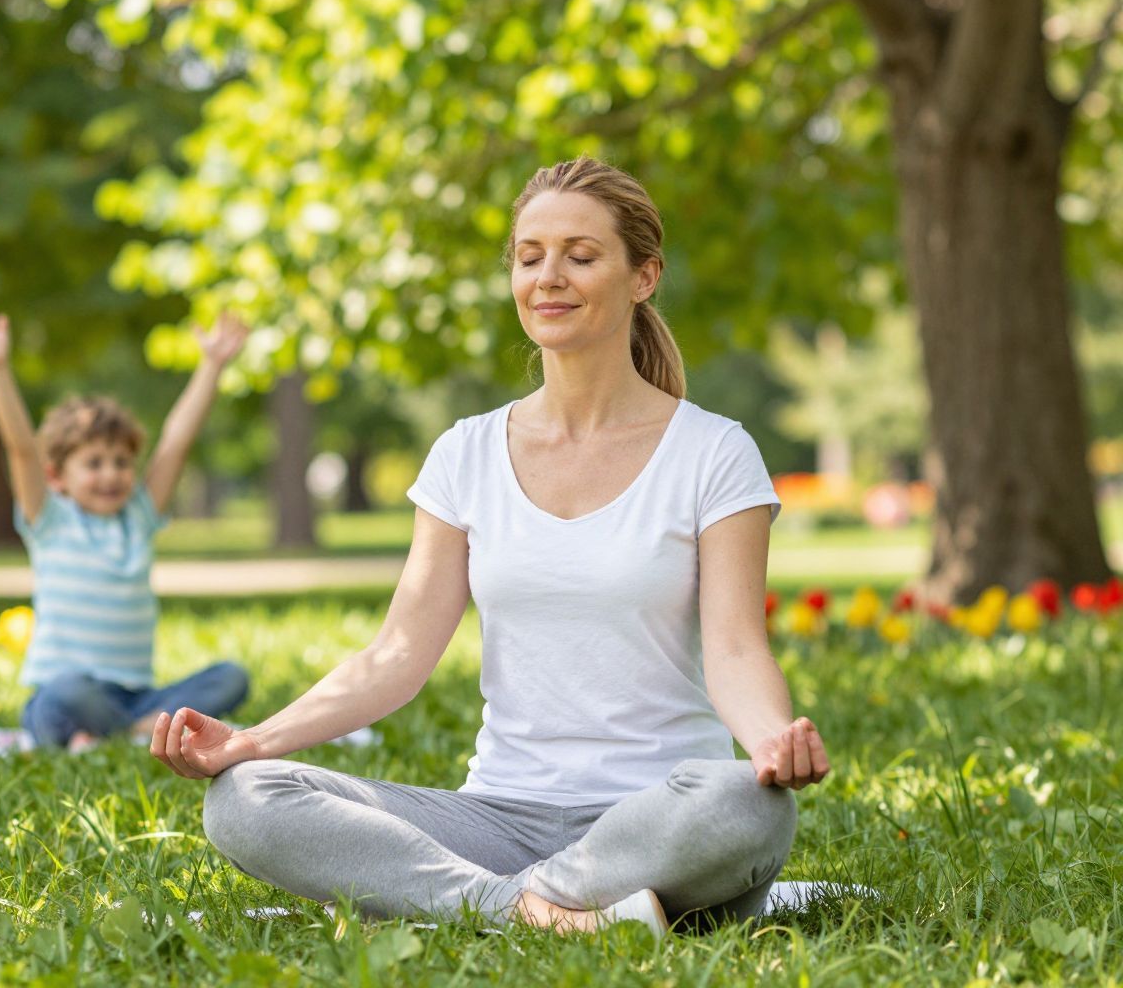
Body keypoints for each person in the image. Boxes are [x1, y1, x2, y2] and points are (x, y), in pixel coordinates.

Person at [146, 157, 831, 936]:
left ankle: (452, 903)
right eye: (529, 257)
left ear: (644, 277)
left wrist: (771, 742)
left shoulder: (713, 451)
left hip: (655, 813)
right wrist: (251, 741)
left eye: (581, 256)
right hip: (496, 818)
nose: (549, 277)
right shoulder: (466, 453)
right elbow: (396, 655)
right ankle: (546, 914)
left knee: (746, 806)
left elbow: (736, 649)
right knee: (245, 798)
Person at [0, 298, 251, 750]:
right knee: (64, 693)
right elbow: (21, 447)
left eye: (121, 462)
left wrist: (211, 366)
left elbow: (176, 442)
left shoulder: (139, 515)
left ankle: (122, 731)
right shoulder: (49, 519)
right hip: (68, 695)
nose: (111, 474)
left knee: (231, 677)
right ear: (57, 477)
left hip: (137, 698)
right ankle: (126, 733)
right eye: (93, 463)